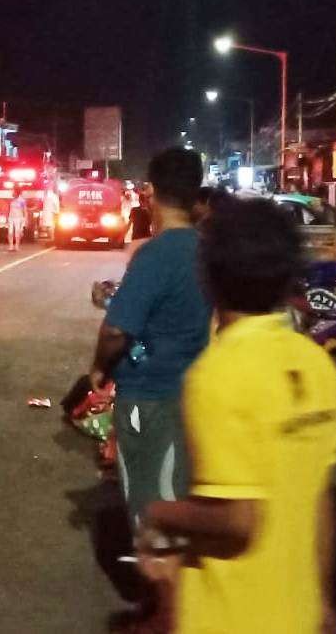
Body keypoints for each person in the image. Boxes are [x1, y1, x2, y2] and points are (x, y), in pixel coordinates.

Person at [134, 198, 336, 633]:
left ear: (208, 276)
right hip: (297, 613)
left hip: (228, 616)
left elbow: (237, 520)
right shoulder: (314, 364)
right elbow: (321, 503)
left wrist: (160, 514)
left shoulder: (218, 373)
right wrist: (321, 601)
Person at [86, 148, 210, 536]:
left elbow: (116, 331)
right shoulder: (210, 249)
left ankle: (161, 585)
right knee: (183, 487)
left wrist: (99, 367)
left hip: (151, 394)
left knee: (150, 501)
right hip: (199, 391)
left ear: (151, 193)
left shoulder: (155, 255)